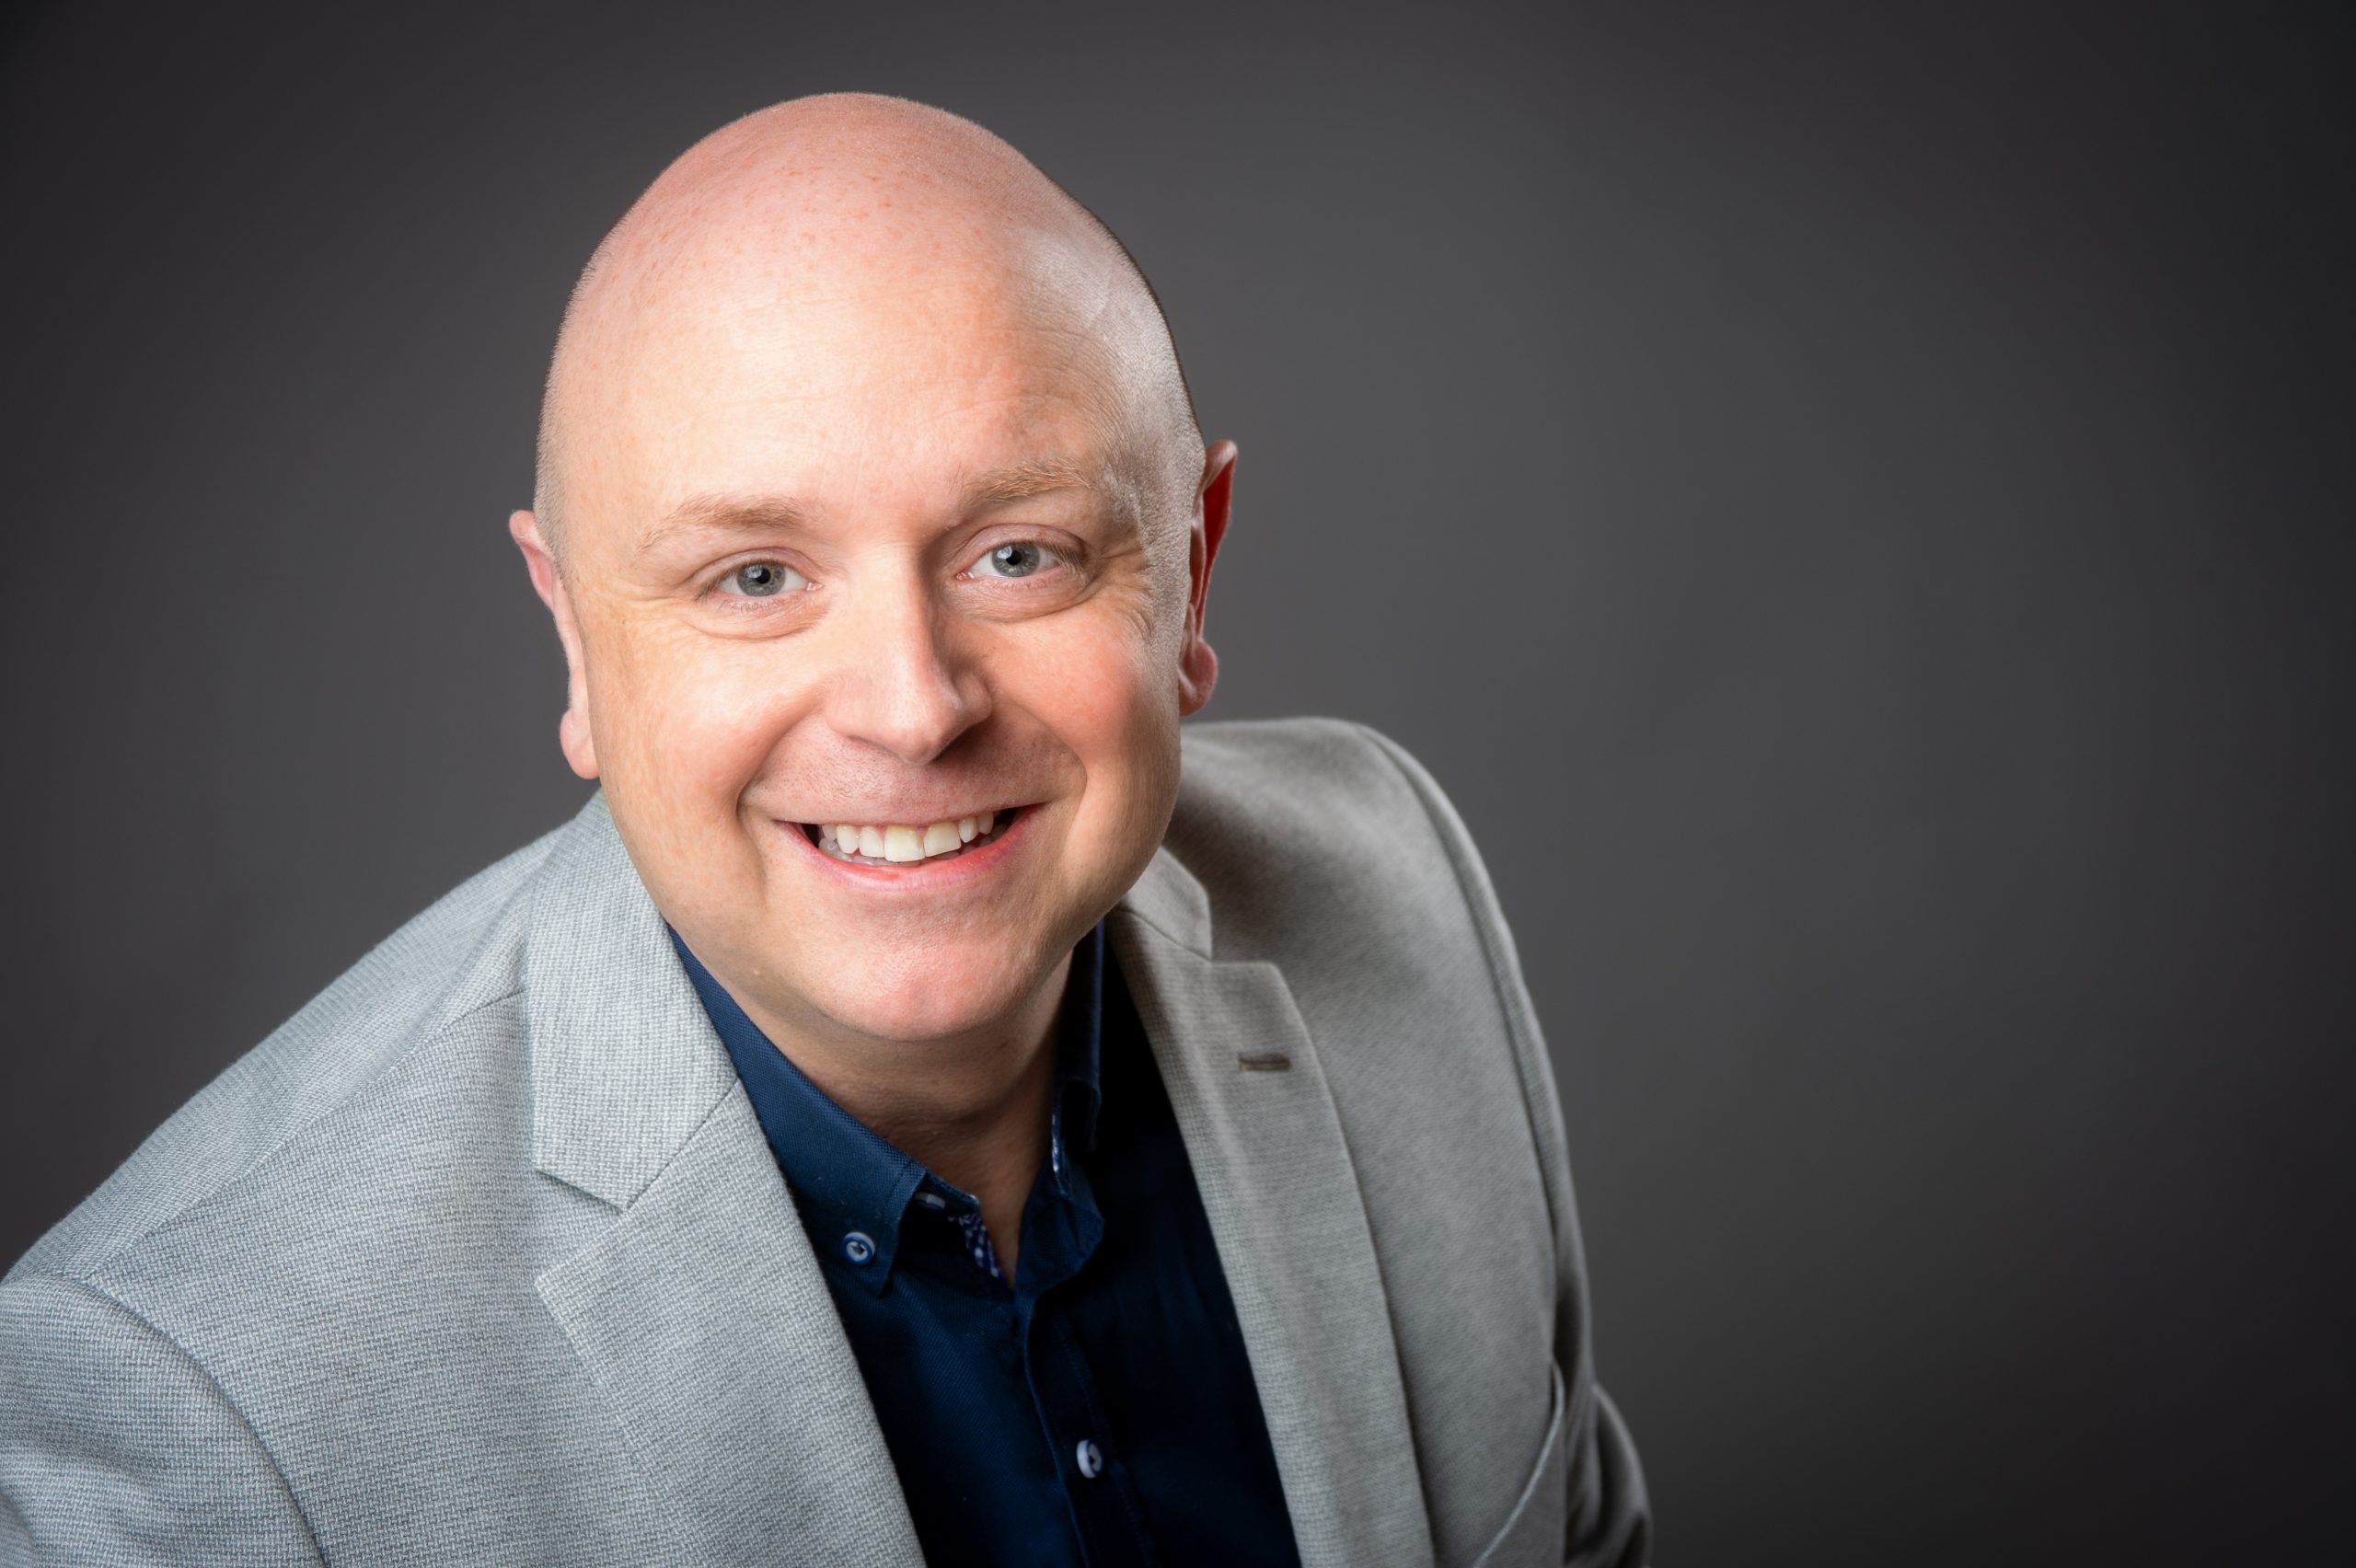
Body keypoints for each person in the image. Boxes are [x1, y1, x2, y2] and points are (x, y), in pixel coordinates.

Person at [0, 94, 1649, 1567]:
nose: (913, 709)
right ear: (573, 639)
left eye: (1020, 554)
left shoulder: (1393, 885)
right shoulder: (197, 1409)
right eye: (755, 577)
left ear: (1192, 576)